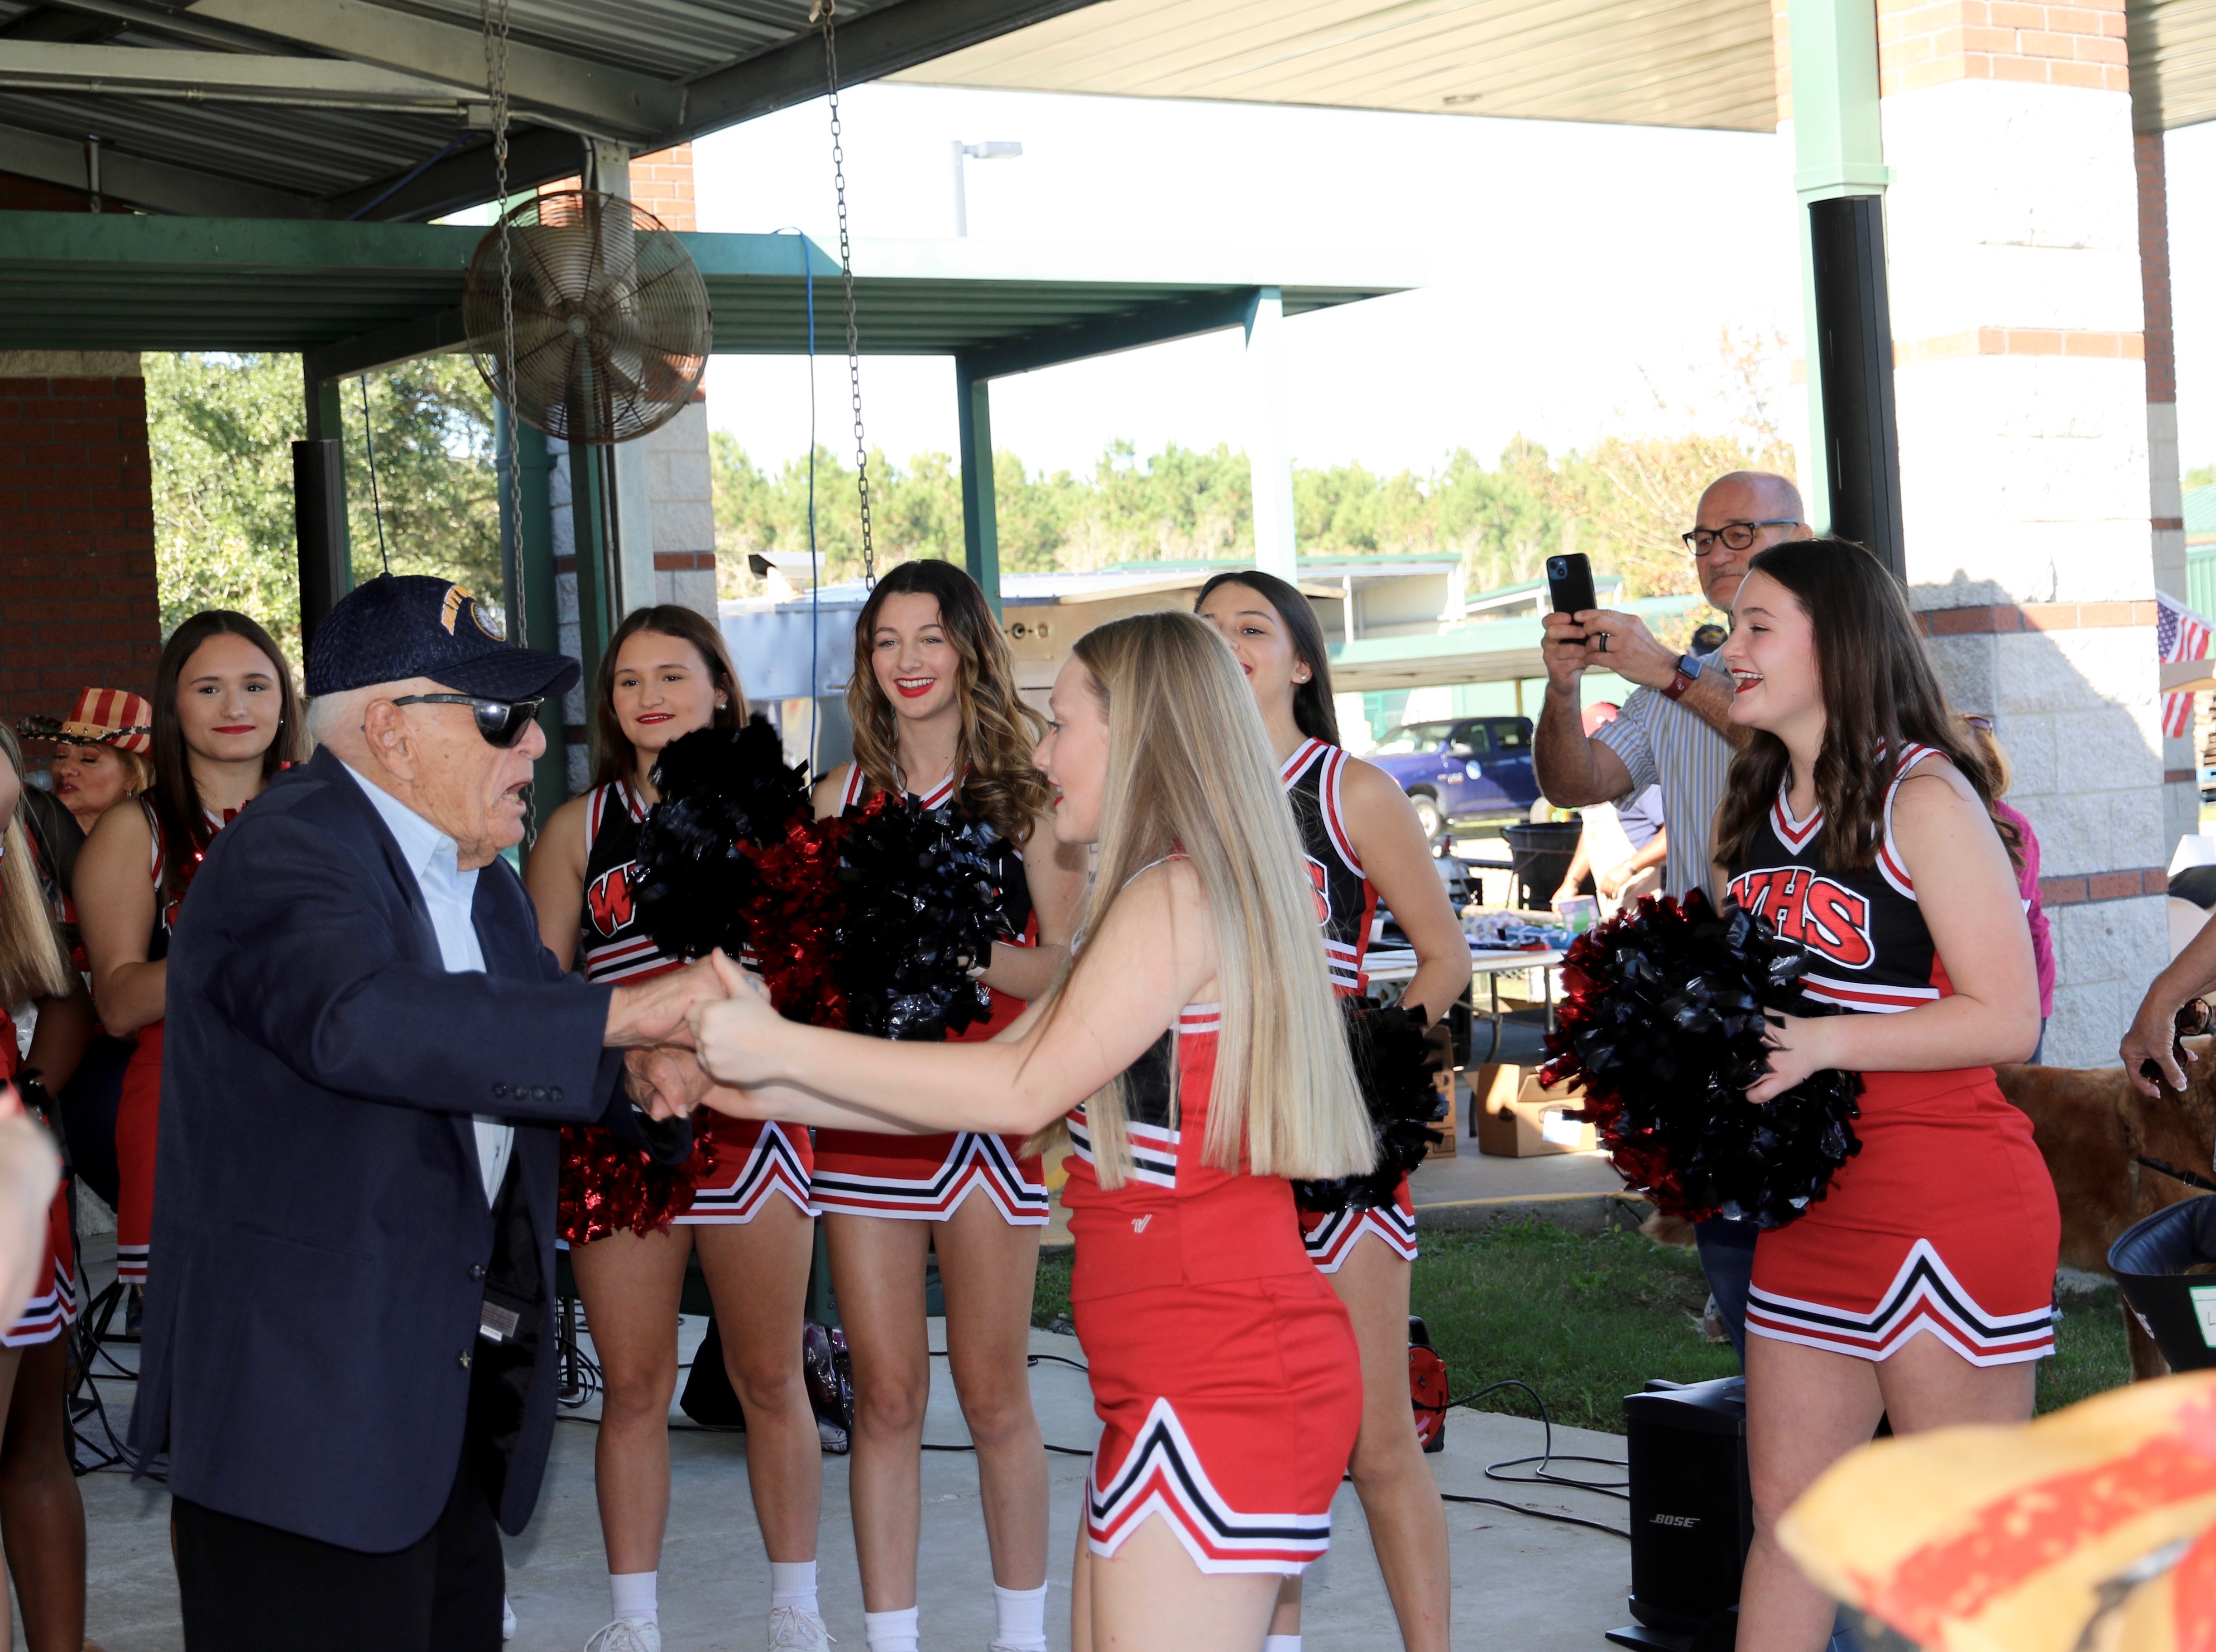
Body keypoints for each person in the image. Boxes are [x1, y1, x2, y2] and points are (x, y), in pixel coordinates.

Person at [675, 609, 1374, 1652]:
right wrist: (746, 1086)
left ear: (1137, 732)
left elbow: (1012, 1092)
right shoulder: (1156, 895)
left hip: (1217, 1375)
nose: (1041, 756)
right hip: (1170, 1378)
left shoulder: (1175, 897)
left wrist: (773, 1047)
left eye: (1062, 724)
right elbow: (985, 1080)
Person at [128, 575, 721, 1652]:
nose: (532, 746)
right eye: (499, 717)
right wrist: (622, 1013)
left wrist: (634, 1078)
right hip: (304, 1429)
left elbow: (509, 1038)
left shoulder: (477, 877)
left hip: (433, 1415)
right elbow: (361, 1020)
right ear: (390, 731)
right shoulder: (287, 848)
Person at [1710, 538, 2052, 1652]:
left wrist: (1819, 1043)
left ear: (1840, 644)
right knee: (1791, 1529)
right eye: (1732, 627)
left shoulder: (1925, 795)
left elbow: (2006, 1017)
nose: (1728, 647)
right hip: (1812, 1205)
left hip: (1945, 1201)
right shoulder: (1753, 804)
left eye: (1758, 626)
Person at [525, 606, 826, 1652]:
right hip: (619, 1122)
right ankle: (634, 1621)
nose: (648, 697)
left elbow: (812, 973)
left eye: (672, 676)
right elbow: (538, 994)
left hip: (748, 1116)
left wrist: (719, 1053)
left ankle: (796, 1609)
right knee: (635, 1384)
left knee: (770, 1376)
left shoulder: (776, 816)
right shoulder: (576, 827)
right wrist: (628, 1058)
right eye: (627, 680)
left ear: (720, 691)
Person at [808, 558, 1084, 1652]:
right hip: (866, 1119)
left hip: (981, 1112)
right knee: (884, 1397)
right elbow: (807, 964)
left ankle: (1021, 1638)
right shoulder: (836, 801)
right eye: (886, 641)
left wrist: (960, 950)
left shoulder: (1027, 796)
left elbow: (1066, 967)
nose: (908, 661)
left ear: (970, 647)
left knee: (993, 1395)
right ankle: (892, 1641)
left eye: (930, 637)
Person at [1195, 570, 1468, 1652]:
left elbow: (1443, 958)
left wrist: (1368, 1064)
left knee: (1373, 1438)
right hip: (1216, 1145)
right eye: (1206, 630)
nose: (1226, 643)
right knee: (1257, 1435)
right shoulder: (1174, 790)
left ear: (1302, 661)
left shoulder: (1348, 789)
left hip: (1332, 1144)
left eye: (1251, 627)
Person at [1532, 471, 1810, 1362]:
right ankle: (1770, 1402)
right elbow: (1575, 782)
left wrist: (1666, 668)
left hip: (1827, 997)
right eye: (1703, 538)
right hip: (1712, 1007)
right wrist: (1563, 689)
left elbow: (1796, 746)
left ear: (1801, 540)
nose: (1717, 553)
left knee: (1825, 1254)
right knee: (1737, 1253)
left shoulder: (1835, 666)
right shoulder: (1668, 693)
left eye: (1740, 533)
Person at [74, 614, 300, 1298]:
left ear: (284, 700)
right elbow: (116, 1005)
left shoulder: (330, 815)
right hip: (190, 1107)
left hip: (321, 1100)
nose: (236, 708)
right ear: (173, 704)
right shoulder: (133, 828)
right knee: (204, 1341)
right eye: (209, 689)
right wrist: (243, 952)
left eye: (255, 686)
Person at [0, 733, 95, 1652]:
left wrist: (26, 1097)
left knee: (33, 1447)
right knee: (31, 1451)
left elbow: (66, 992)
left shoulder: (25, 840)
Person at [1959, 714, 2053, 1062]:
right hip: (1965, 993)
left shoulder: (2013, 828)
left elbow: (2012, 916)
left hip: (2020, 987)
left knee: (2018, 1087)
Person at [1550, 704, 1665, 919]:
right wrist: (1571, 882)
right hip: (1620, 911)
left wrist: (1629, 867)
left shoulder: (1643, 785)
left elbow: (1675, 834)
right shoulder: (1599, 786)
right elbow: (1593, 834)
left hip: (1652, 909)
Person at [19, 689, 155, 838]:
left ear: (132, 776)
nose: (65, 770)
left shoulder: (154, 846)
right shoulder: (27, 837)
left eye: (88, 759)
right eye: (61, 756)